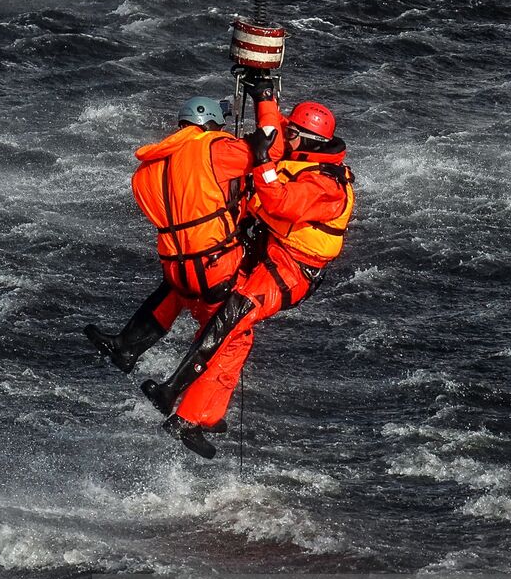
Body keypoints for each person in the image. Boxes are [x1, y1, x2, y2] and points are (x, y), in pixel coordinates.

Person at [140, 99, 357, 458]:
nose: (285, 137)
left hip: (291, 270)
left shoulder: (327, 186)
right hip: (270, 250)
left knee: (230, 320)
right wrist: (264, 96)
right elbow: (272, 134)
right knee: (233, 333)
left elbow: (279, 202)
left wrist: (260, 163)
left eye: (292, 134)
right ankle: (197, 415)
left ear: (307, 140)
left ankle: (173, 390)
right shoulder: (309, 157)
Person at [84, 85, 282, 377]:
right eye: (219, 124)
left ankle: (127, 347)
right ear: (209, 123)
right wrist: (264, 100)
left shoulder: (148, 167)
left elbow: (189, 200)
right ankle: (182, 388)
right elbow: (271, 150)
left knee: (174, 292)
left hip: (176, 266)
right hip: (216, 264)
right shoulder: (215, 149)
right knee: (222, 330)